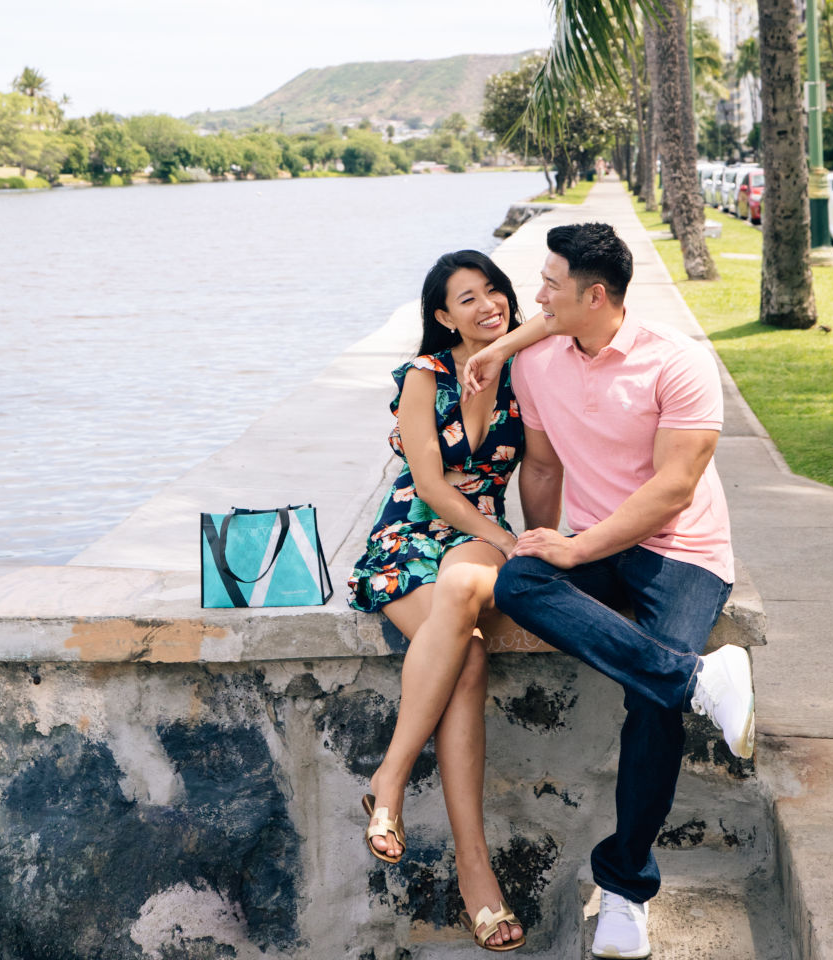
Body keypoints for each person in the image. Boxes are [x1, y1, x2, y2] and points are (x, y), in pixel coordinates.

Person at [461, 222, 755, 960]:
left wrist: (577, 546)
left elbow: (674, 490)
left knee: (651, 704)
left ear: (596, 296)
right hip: (596, 542)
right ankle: (698, 680)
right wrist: (547, 540)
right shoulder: (538, 362)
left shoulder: (678, 363)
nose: (536, 296)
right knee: (520, 579)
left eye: (550, 284)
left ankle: (624, 889)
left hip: (682, 551)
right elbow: (542, 465)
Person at [346, 250, 528, 952]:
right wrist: (503, 537)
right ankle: (474, 871)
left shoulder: (525, 370)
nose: (487, 305)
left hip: (477, 541)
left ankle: (388, 780)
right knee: (469, 660)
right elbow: (427, 484)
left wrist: (517, 541)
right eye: (467, 298)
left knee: (462, 613)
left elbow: (559, 317)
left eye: (494, 290)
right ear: (443, 316)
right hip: (414, 533)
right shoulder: (424, 377)